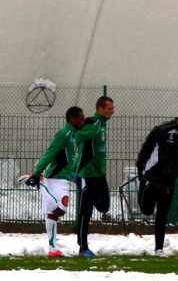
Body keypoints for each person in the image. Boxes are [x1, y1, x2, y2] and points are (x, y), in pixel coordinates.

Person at [18, 107, 85, 257]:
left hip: (61, 177)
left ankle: (53, 249)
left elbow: (69, 157)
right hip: (56, 177)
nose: (82, 121)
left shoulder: (73, 134)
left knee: (52, 215)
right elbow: (50, 153)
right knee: (60, 209)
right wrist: (37, 173)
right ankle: (39, 183)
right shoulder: (64, 134)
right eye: (80, 118)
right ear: (72, 119)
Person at [136, 109, 178, 256]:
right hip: (152, 176)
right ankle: (142, 187)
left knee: (162, 215)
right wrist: (141, 170)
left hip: (169, 181)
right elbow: (146, 150)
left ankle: (159, 248)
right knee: (146, 210)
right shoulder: (161, 130)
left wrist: (172, 172)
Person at [74, 96, 115, 256]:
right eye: (110, 108)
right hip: (88, 174)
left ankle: (82, 242)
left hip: (100, 174)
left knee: (104, 206)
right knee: (86, 210)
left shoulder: (102, 124)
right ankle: (82, 247)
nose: (113, 111)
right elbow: (74, 138)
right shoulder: (94, 124)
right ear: (100, 109)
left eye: (113, 108)